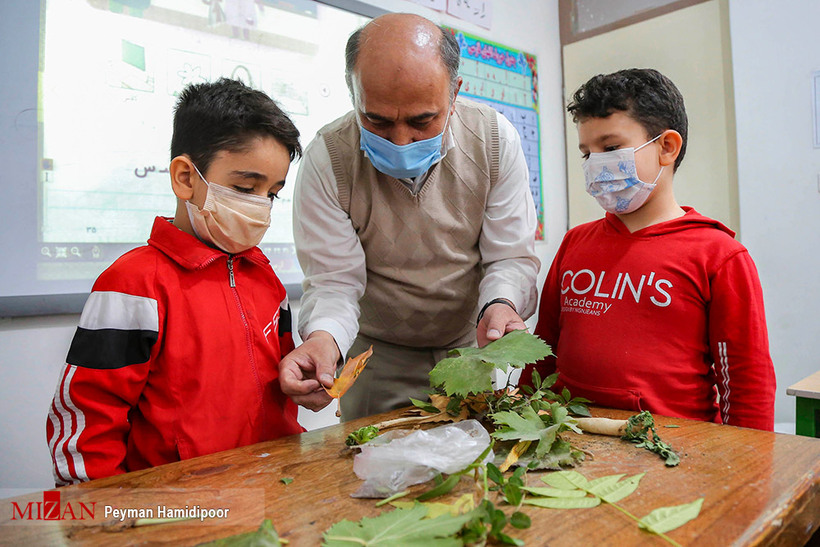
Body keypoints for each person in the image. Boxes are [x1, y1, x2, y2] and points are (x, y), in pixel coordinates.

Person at [280, 13, 540, 420]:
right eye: (377, 120)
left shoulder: (493, 140)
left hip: (469, 344)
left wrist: (502, 303)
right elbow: (334, 281)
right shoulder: (327, 158)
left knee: (480, 466)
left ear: (455, 93)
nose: (401, 141)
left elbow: (508, 256)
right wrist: (324, 339)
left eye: (422, 120)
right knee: (369, 467)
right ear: (353, 95)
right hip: (377, 356)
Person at [46, 78, 304, 484]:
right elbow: (89, 417)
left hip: (269, 486)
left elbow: (281, 387)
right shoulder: (132, 285)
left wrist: (306, 383)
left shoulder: (267, 280)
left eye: (271, 193)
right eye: (244, 188)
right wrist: (98, 515)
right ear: (185, 177)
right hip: (175, 506)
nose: (260, 207)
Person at [520, 68, 776, 430]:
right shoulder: (575, 243)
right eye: (586, 154)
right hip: (567, 439)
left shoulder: (718, 255)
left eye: (610, 148)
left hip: (673, 450)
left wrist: (747, 462)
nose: (596, 164)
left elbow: (745, 380)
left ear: (666, 147)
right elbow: (543, 349)